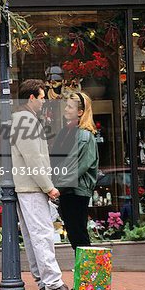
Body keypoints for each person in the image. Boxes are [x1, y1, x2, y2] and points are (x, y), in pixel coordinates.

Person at [11, 79, 72, 290]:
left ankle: (46, 281)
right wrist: (48, 187)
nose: (44, 101)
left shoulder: (23, 119)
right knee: (42, 234)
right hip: (32, 187)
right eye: (42, 97)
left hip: (28, 187)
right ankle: (52, 282)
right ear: (31, 98)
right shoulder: (25, 121)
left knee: (33, 236)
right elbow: (33, 158)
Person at [51, 92, 99, 251]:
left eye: (69, 107)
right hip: (69, 190)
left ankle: (89, 271)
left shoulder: (83, 135)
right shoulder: (68, 132)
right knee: (74, 233)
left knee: (78, 233)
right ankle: (85, 270)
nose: (66, 109)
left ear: (80, 112)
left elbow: (76, 167)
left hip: (76, 191)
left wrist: (57, 188)